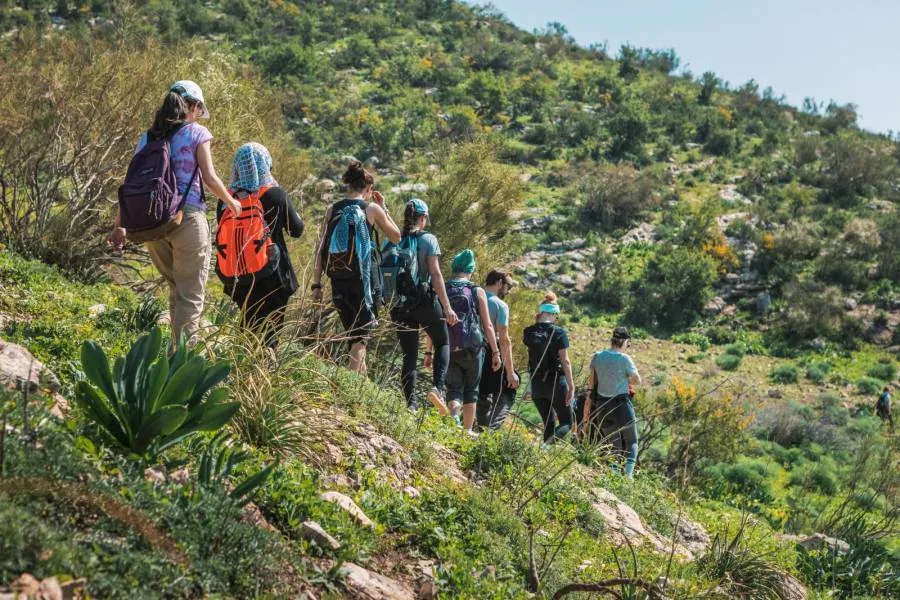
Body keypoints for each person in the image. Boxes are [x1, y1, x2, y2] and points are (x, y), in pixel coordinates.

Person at [109, 81, 242, 345]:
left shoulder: (147, 137)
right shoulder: (196, 132)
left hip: (153, 223)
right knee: (191, 295)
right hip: (187, 218)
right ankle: (183, 364)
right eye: (198, 109)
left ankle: (173, 355)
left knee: (176, 290)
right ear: (192, 106)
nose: (197, 114)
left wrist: (119, 225)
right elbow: (210, 178)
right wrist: (231, 203)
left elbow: (132, 183)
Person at [311, 161, 400, 375]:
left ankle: (362, 387)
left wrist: (316, 284)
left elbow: (320, 249)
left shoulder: (332, 209)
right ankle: (349, 389)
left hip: (338, 279)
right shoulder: (372, 209)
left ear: (349, 186)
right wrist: (384, 208)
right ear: (368, 189)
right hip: (365, 280)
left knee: (354, 336)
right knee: (361, 336)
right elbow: (396, 237)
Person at [217, 143, 303, 348]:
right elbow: (296, 230)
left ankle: (240, 368)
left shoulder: (226, 200)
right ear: (265, 165)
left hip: (238, 276)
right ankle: (261, 374)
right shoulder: (275, 194)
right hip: (272, 274)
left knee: (248, 326)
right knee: (270, 335)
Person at [392, 199, 459, 413]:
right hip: (424, 301)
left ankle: (410, 404)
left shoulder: (393, 238)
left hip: (400, 305)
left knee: (409, 355)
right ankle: (436, 389)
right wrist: (447, 307)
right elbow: (436, 274)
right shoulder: (429, 239)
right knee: (442, 341)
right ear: (422, 218)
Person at [441, 249, 501, 429]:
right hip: (473, 347)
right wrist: (496, 352)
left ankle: (454, 417)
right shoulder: (476, 290)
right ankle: (466, 431)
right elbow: (488, 325)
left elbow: (437, 323)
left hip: (449, 345)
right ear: (471, 269)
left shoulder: (443, 288)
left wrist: (430, 351)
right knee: (471, 390)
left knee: (453, 388)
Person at [584, 327, 642, 478]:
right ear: (625, 342)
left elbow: (591, 384)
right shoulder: (624, 359)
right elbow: (637, 380)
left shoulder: (597, 357)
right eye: (628, 344)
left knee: (613, 445)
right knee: (632, 442)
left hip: (602, 405)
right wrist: (624, 378)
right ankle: (628, 478)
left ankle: (614, 476)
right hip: (622, 405)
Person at [522, 292, 574, 443]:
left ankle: (544, 452)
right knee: (566, 422)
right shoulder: (559, 333)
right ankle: (546, 447)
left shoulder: (528, 332)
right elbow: (566, 361)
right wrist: (571, 386)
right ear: (554, 314)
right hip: (556, 383)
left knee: (549, 422)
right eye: (556, 316)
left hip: (537, 385)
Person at [476, 270, 520, 430]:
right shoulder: (500, 304)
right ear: (499, 282)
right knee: (509, 389)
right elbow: (504, 340)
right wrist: (510, 371)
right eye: (508, 286)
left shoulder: (473, 295)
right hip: (490, 352)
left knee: (481, 392)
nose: (508, 291)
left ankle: (477, 427)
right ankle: (490, 432)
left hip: (469, 349)